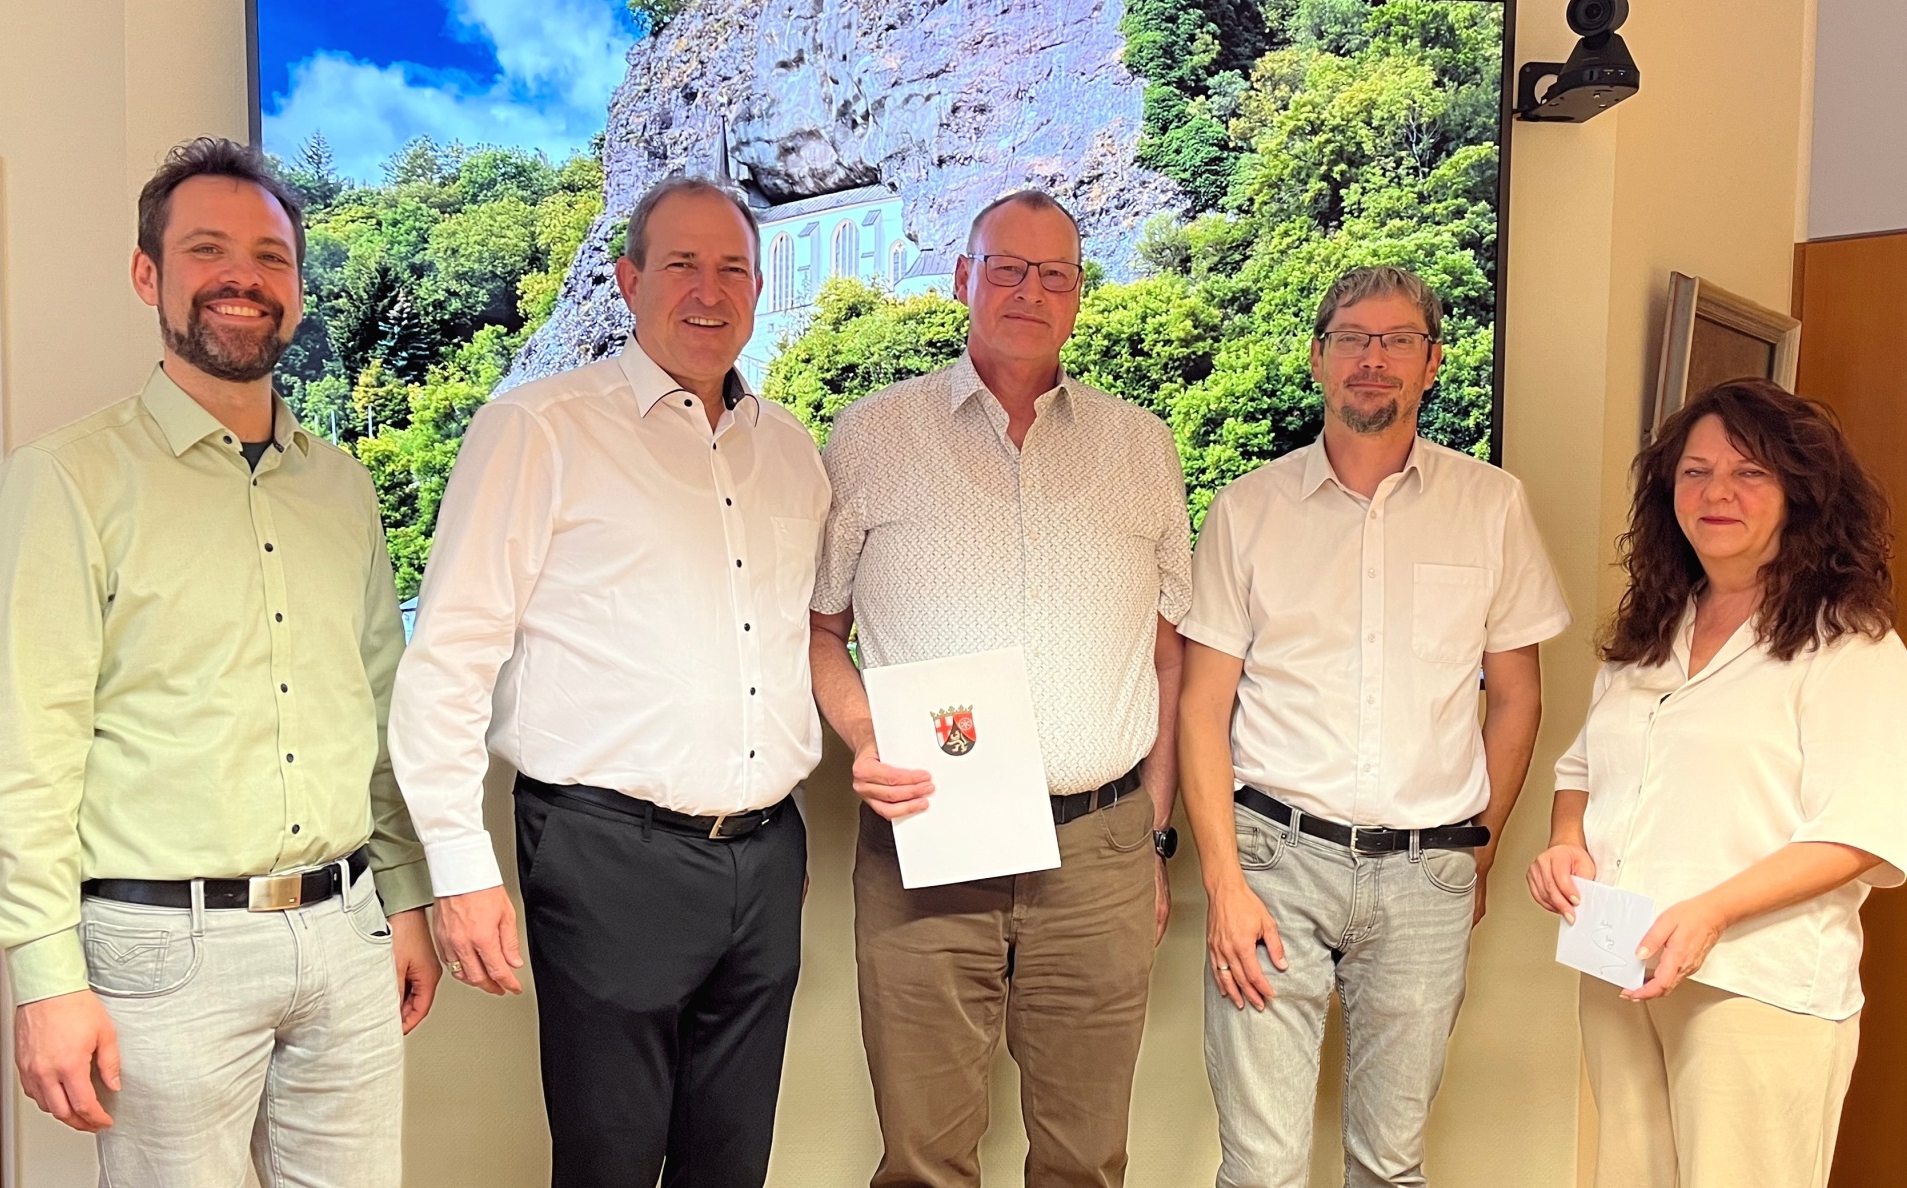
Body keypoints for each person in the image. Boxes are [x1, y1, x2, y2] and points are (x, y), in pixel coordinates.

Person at [0, 138, 437, 1186]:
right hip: (160, 955)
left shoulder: (343, 488)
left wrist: (406, 897)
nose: (245, 277)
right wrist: (43, 979)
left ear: (297, 285)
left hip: (348, 931)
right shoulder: (62, 481)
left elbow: (378, 704)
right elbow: (25, 747)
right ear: (149, 274)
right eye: (207, 250)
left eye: (271, 257)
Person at [389, 175, 828, 1188]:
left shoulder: (793, 453)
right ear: (628, 280)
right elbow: (449, 656)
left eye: (733, 268)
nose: (708, 291)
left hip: (765, 862)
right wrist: (458, 867)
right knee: (611, 1164)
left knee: (733, 1164)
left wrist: (773, 814)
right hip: (605, 855)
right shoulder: (539, 429)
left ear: (759, 290)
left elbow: (781, 646)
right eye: (680, 264)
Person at [810, 189, 1193, 1188]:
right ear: (961, 280)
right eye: (1006, 268)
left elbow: (1167, 656)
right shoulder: (870, 437)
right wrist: (863, 735)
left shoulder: (1142, 445)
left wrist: (1152, 836)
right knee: (924, 1158)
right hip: (927, 843)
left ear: (1078, 296)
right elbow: (820, 632)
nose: (1030, 290)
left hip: (1098, 852)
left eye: (1054, 273)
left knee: (1083, 1161)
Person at [1176, 265, 1571, 1187]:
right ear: (1318, 358)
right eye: (1352, 337)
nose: (1373, 359)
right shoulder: (1248, 510)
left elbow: (1519, 697)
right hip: (1274, 863)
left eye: (1398, 341)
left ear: (1432, 363)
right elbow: (1202, 705)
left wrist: (1477, 852)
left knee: (1390, 1166)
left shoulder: (1492, 507)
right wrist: (1225, 882)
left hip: (1427, 872)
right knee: (1262, 1167)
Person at [1527, 379, 1906, 1188]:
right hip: (1621, 962)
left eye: (1750, 473)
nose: (1717, 493)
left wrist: (1712, 912)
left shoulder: (1852, 648)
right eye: (1695, 473)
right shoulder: (1650, 633)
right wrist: (1565, 845)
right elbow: (1581, 772)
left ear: (1802, 494)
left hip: (1754, 982)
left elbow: (1862, 829)